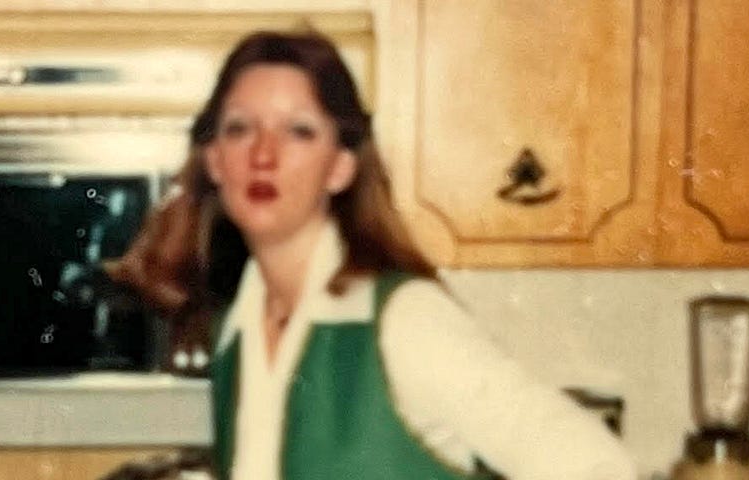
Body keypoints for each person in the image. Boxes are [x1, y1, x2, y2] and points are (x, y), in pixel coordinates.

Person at [107, 29, 637, 480]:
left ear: (340, 167)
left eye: (299, 130)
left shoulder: (404, 322)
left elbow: (596, 466)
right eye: (240, 128)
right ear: (215, 160)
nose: (263, 154)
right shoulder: (235, 334)